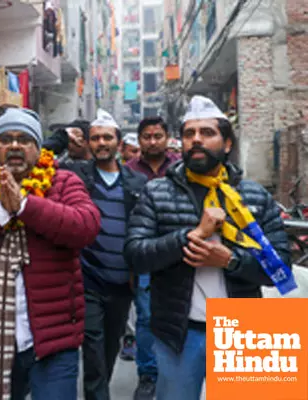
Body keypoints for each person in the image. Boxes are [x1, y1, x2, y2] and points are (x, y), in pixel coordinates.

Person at [124, 95, 294, 400]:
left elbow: (279, 268)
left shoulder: (254, 196)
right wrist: (193, 235)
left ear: (227, 143)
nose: (196, 140)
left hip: (247, 329)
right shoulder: (156, 192)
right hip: (179, 332)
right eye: (189, 134)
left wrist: (230, 260)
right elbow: (136, 255)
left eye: (207, 133)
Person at [0, 108, 101, 400]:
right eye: (6, 139)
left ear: (38, 148)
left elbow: (86, 227)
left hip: (55, 336)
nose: (15, 146)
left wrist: (26, 206)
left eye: (24, 139)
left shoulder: (63, 183)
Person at [65, 110, 147, 400]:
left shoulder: (136, 184)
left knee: (111, 348)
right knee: (94, 349)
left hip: (123, 283)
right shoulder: (75, 177)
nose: (101, 143)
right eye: (95, 138)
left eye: (107, 137)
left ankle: (99, 392)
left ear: (118, 142)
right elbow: (43, 163)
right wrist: (61, 138)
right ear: (87, 143)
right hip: (88, 281)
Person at [125, 116, 180, 399]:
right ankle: (148, 374)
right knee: (146, 317)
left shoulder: (181, 168)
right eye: (147, 136)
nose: (153, 141)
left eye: (158, 136)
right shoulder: (129, 172)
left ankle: (178, 371)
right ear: (140, 139)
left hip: (179, 253)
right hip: (145, 254)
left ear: (167, 137)